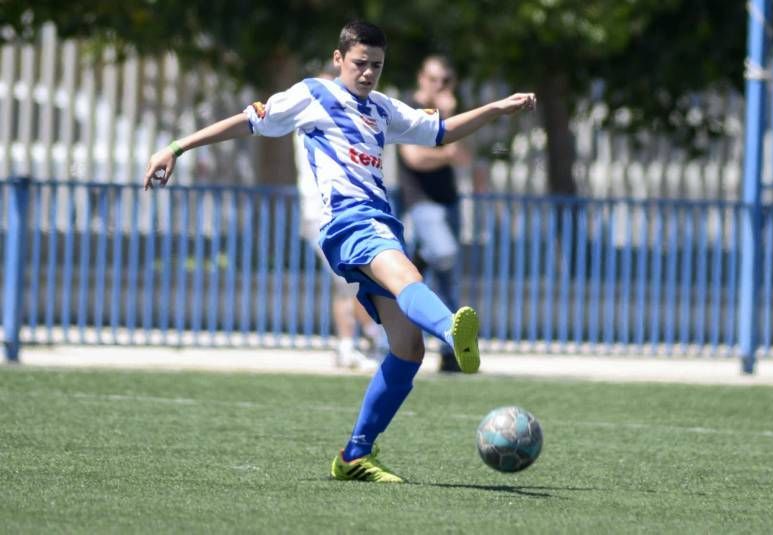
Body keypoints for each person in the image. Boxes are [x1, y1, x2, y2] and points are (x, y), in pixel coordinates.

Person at [143, 20, 536, 483]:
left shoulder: (383, 109)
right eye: (360, 64)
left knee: (407, 350)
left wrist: (495, 109)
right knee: (409, 278)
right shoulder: (312, 95)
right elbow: (248, 122)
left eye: (377, 66)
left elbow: (441, 131)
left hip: (380, 224)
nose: (368, 73)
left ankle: (354, 455)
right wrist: (176, 147)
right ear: (338, 59)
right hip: (350, 224)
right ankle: (451, 330)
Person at [296, 61, 386, 370]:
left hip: (327, 212)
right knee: (348, 281)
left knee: (348, 282)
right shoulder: (314, 110)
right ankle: (360, 341)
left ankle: (360, 341)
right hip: (321, 212)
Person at [398, 55, 474, 373]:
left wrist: (452, 115)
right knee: (441, 256)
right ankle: (421, 256)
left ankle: (449, 351)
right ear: (421, 78)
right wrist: (445, 155)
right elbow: (415, 158)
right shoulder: (407, 108)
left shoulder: (450, 111)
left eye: (445, 81)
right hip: (421, 203)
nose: (439, 87)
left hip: (450, 203)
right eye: (433, 80)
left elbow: (464, 155)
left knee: (447, 280)